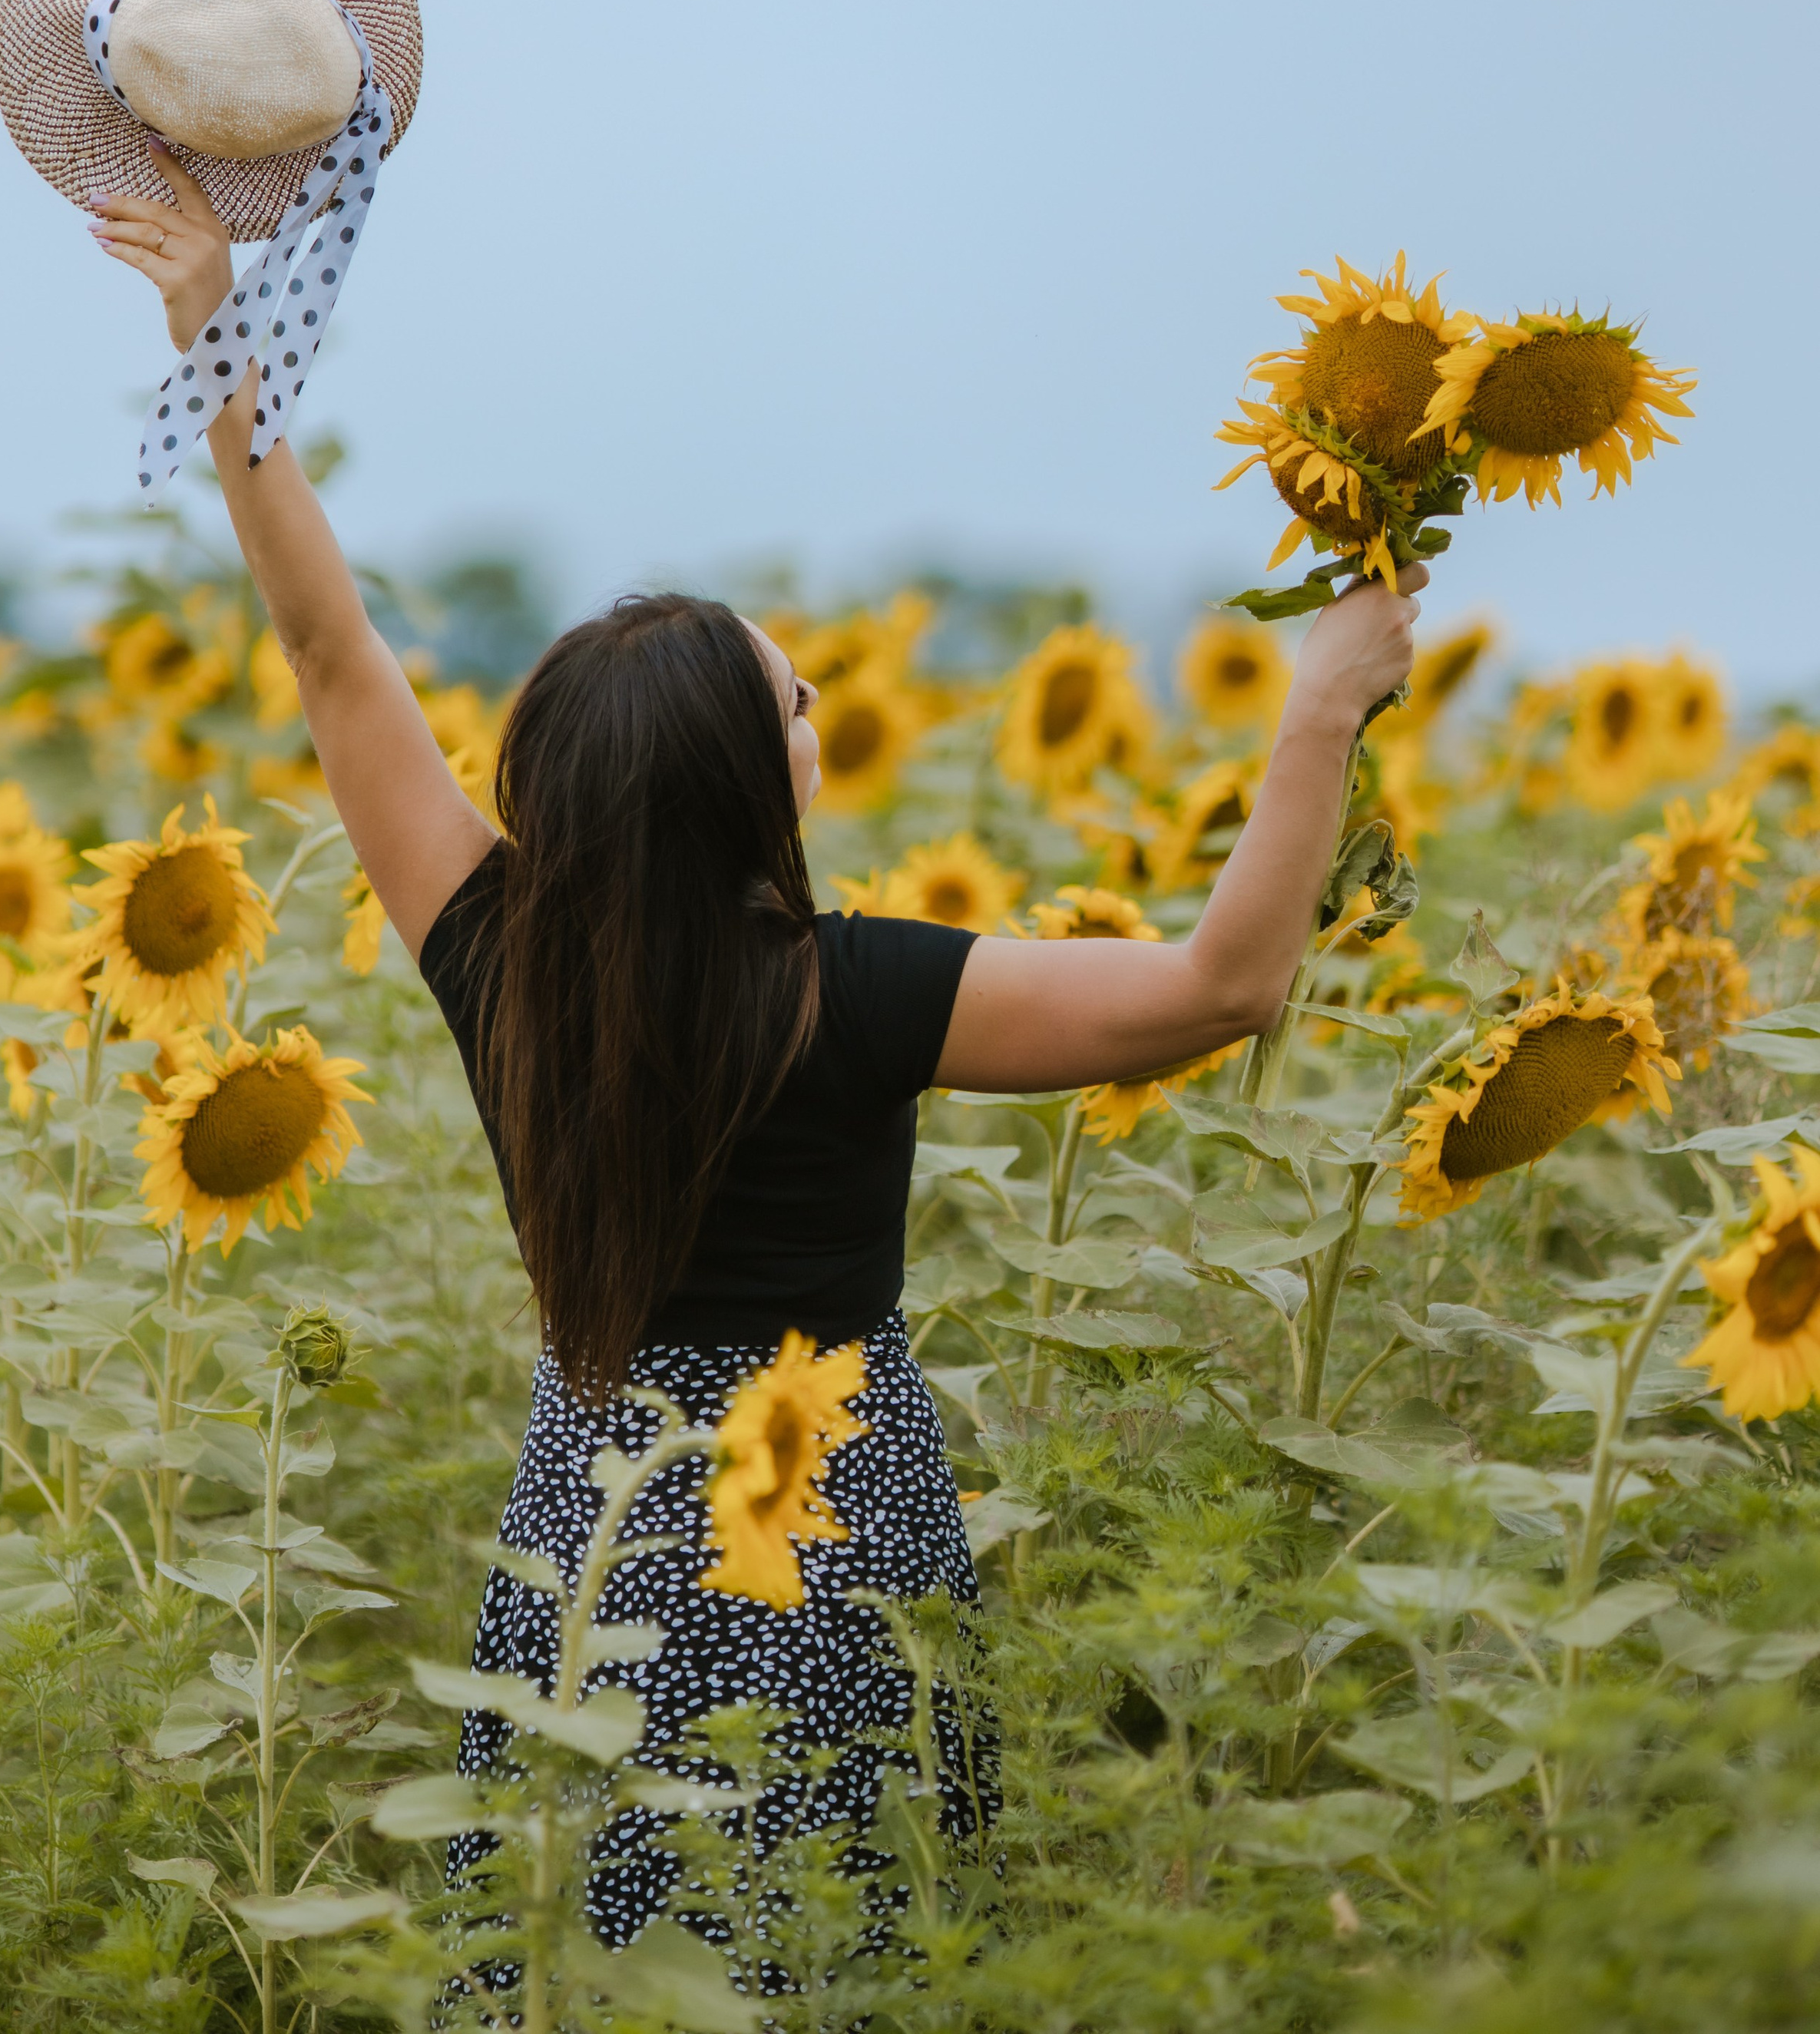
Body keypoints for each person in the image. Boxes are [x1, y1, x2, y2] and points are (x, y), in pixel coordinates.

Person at [92, 149, 1423, 1943]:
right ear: (756, 779)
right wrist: (1322, 703)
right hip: (829, 1512)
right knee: (829, 1936)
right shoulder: (857, 990)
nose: (819, 714)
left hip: (602, 1514)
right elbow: (1218, 987)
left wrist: (208, 320)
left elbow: (329, 656)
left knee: (598, 1938)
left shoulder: (494, 951)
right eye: (797, 701)